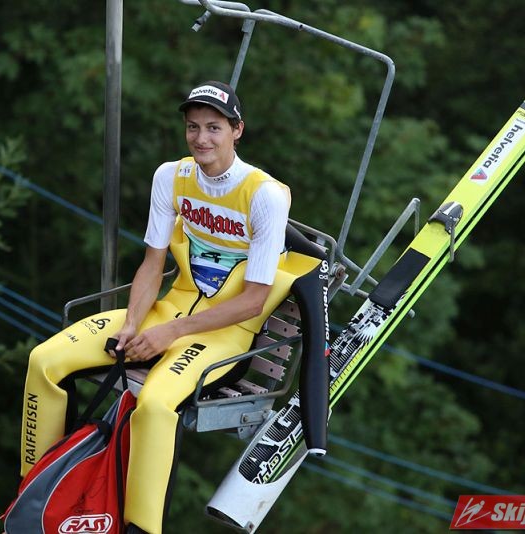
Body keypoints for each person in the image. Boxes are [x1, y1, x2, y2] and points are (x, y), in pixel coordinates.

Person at [19, 81, 327, 534]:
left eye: (214, 128)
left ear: (237, 130)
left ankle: (139, 528)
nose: (202, 138)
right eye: (193, 127)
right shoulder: (171, 176)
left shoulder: (264, 194)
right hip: (168, 312)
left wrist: (170, 335)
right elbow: (152, 264)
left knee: (156, 406)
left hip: (223, 334)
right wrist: (134, 324)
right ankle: (34, 496)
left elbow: (254, 300)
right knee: (44, 361)